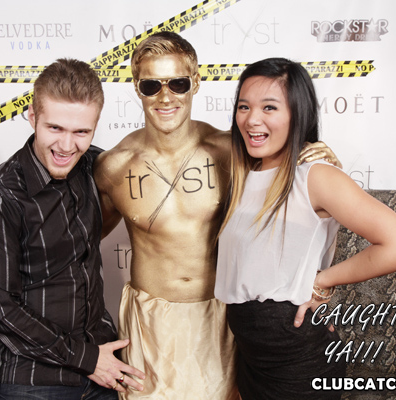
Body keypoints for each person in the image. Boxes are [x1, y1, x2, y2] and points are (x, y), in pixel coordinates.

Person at [94, 32, 340, 399]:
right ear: (136, 88)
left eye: (177, 83)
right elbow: (79, 250)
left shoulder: (234, 152)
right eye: (151, 85)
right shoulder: (113, 167)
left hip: (220, 318)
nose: (165, 97)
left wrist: (316, 155)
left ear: (195, 82)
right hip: (148, 323)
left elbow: (304, 201)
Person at [214, 57, 396, 400]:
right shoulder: (243, 175)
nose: (252, 119)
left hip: (296, 358)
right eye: (244, 106)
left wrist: (322, 281)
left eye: (269, 107)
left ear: (298, 113)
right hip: (251, 355)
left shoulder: (315, 175)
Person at [0, 58, 145, 400]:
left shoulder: (96, 166)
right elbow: (1, 311)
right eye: (55, 128)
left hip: (103, 367)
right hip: (32, 379)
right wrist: (88, 359)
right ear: (32, 117)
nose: (66, 146)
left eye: (81, 132)